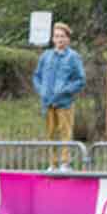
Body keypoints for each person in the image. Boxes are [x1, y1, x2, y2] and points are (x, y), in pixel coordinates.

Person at [34, 23, 87, 151]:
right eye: (57, 36)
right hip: (47, 102)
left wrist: (66, 90)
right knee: (50, 134)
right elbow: (37, 76)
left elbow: (80, 79)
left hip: (64, 102)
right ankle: (52, 163)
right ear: (53, 39)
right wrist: (41, 91)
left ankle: (65, 163)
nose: (59, 39)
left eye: (62, 36)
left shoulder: (73, 57)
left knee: (65, 133)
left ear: (68, 39)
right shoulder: (46, 56)